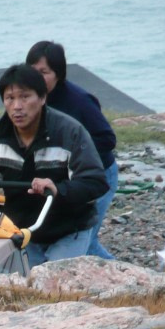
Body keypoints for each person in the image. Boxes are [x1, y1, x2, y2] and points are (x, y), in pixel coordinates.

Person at [0, 64, 108, 266]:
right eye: (10, 98)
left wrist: (58, 189)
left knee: (56, 284)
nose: (17, 106)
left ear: (42, 98)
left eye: (25, 97)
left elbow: (95, 182)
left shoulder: (69, 132)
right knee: (22, 286)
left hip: (70, 228)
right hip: (23, 229)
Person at [27, 41, 119, 259]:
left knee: (84, 239)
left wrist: (74, 156)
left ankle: (129, 282)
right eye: (32, 72)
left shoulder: (79, 101)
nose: (37, 78)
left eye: (44, 72)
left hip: (96, 175)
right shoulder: (30, 100)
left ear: (58, 74)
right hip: (59, 179)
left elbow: (107, 138)